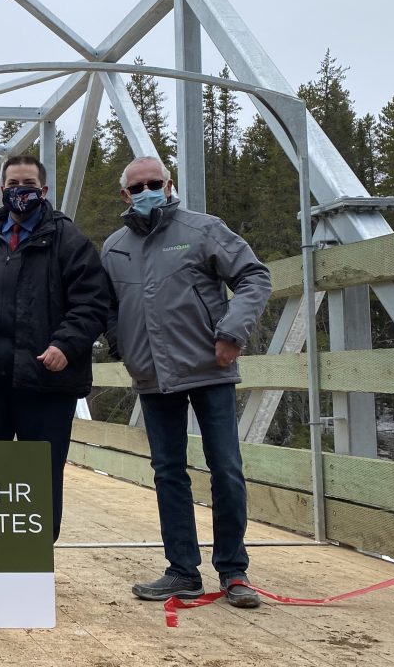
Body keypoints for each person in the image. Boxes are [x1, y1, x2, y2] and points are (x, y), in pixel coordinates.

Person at [101, 156, 271, 609]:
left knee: (227, 470)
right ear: (125, 195)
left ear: (169, 184)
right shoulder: (114, 247)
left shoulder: (203, 229)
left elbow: (254, 276)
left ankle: (234, 573)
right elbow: (107, 307)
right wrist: (121, 347)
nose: (147, 191)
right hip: (152, 376)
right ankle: (182, 572)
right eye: (137, 187)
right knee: (168, 474)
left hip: (208, 368)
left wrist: (232, 332)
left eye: (154, 183)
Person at [0, 154, 109, 541]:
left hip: (45, 380)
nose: (20, 192)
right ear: (2, 190)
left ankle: (33, 562)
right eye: (13, 185)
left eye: (28, 186)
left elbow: (93, 303)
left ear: (44, 191)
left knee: (40, 476)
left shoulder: (70, 241)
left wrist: (65, 345)